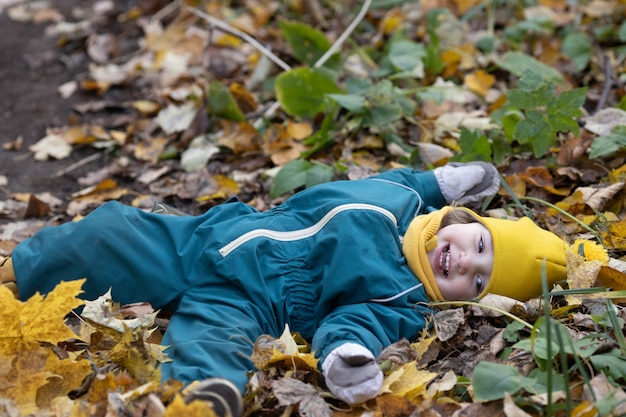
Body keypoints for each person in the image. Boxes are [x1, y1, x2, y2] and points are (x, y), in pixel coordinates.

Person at [0, 162, 568, 417]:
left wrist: (346, 355)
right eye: (481, 246)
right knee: (111, 230)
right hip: (207, 237)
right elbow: (404, 179)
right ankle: (17, 273)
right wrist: (443, 178)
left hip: (252, 300)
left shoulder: (403, 299)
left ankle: (198, 401)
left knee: (213, 342)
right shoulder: (401, 203)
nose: (465, 262)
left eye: (477, 279)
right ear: (464, 221)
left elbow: (356, 325)